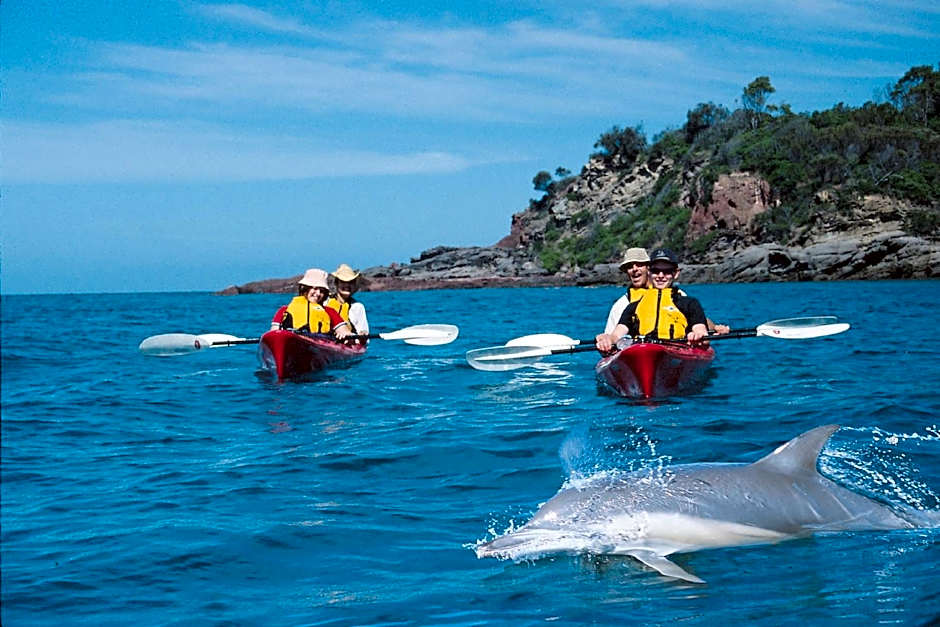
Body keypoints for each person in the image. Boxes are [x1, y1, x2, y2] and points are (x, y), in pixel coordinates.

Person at [596, 249, 709, 352]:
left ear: (675, 274)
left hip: (677, 349)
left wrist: (698, 335)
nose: (661, 276)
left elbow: (701, 330)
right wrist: (608, 339)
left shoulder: (689, 303)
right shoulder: (633, 306)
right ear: (649, 272)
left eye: (667, 271)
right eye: (656, 271)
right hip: (644, 351)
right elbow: (617, 335)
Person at [270, 268, 352, 340]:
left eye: (322, 291)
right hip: (292, 341)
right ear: (305, 288)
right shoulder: (284, 311)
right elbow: (274, 333)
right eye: (315, 289)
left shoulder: (330, 312)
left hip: (320, 343)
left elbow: (345, 331)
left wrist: (344, 335)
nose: (318, 293)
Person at [326, 263, 369, 339]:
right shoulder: (325, 302)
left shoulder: (358, 307)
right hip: (326, 339)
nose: (347, 285)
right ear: (336, 283)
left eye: (350, 282)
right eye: (343, 281)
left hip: (349, 340)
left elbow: (363, 332)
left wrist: (363, 333)